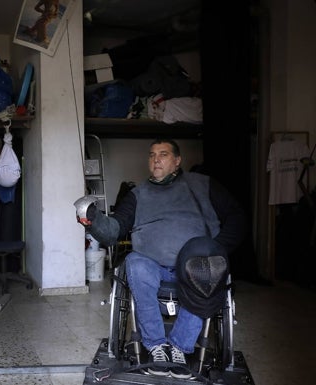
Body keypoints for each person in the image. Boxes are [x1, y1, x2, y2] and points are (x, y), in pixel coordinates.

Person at [75, 139, 245, 379]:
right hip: (151, 263)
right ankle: (156, 346)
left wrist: (218, 249)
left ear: (177, 161)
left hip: (196, 263)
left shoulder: (203, 185)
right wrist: (93, 220)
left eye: (163, 154)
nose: (156, 159)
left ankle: (179, 348)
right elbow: (115, 229)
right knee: (134, 262)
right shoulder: (137, 194)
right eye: (152, 155)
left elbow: (237, 216)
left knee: (205, 268)